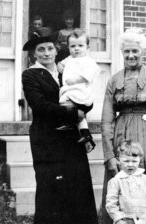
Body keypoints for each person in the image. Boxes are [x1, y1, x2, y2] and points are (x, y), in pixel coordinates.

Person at [21, 27, 98, 224]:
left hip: (71, 138)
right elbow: (40, 106)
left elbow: (84, 96)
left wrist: (85, 123)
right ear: (34, 54)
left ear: (56, 50)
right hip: (47, 139)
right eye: (41, 50)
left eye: (49, 48)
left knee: (77, 186)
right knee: (51, 188)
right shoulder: (31, 75)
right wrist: (73, 112)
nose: (46, 53)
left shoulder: (67, 71)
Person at [101, 28, 146, 224]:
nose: (131, 55)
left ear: (143, 52)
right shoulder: (114, 80)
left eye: (135, 51)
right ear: (122, 52)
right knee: (119, 183)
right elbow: (106, 120)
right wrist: (109, 155)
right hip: (120, 136)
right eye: (126, 51)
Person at [56, 28, 99, 148]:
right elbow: (61, 63)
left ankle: (68, 122)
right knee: (79, 117)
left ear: (87, 48)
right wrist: (59, 65)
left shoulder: (88, 61)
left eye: (80, 45)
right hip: (72, 90)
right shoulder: (70, 59)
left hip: (81, 92)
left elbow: (89, 75)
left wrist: (76, 80)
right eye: (72, 46)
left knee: (64, 102)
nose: (76, 49)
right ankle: (86, 134)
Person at [106, 140, 146, 224]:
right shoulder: (115, 181)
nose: (130, 165)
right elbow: (111, 204)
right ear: (119, 159)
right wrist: (118, 219)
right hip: (125, 221)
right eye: (126, 161)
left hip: (145, 221)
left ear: (140, 159)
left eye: (134, 161)